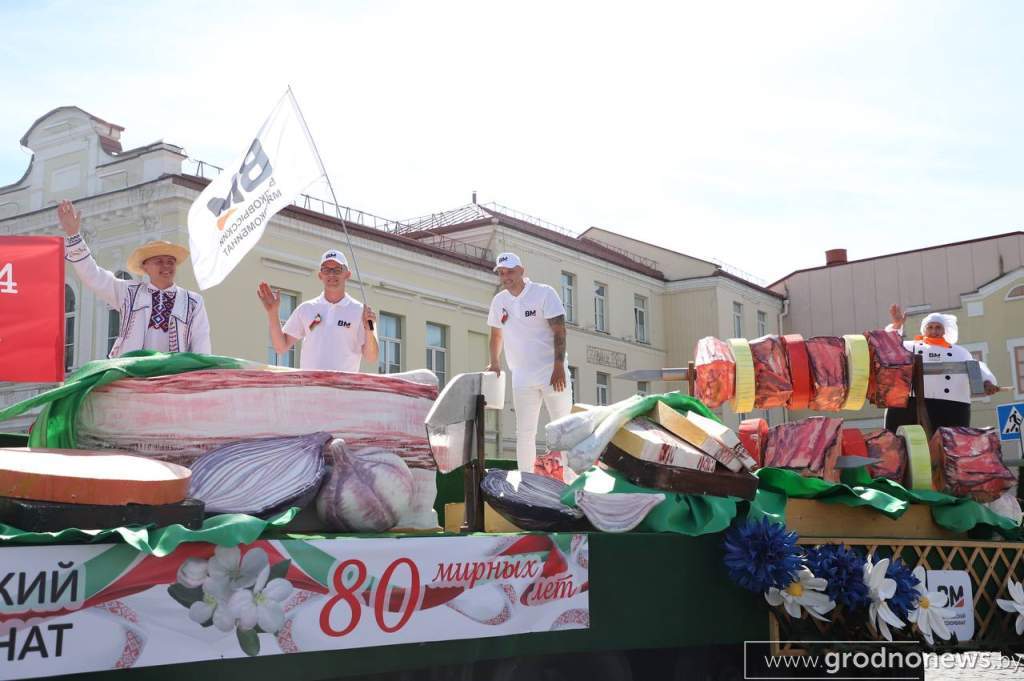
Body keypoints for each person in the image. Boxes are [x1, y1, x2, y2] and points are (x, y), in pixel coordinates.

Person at [57, 199, 211, 357]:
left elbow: (202, 346)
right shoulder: (129, 292)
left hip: (173, 377)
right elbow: (93, 275)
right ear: (145, 267)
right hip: (132, 375)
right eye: (159, 261)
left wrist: (201, 378)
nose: (166, 266)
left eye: (171, 262)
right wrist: (73, 236)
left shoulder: (193, 302)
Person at [486, 252, 571, 472]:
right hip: (522, 376)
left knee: (563, 429)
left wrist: (559, 366)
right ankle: (526, 481)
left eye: (510, 271)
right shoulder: (499, 301)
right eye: (502, 273)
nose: (506, 277)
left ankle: (571, 480)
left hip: (551, 372)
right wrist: (494, 363)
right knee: (524, 432)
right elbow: (496, 335)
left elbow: (560, 330)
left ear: (521, 271)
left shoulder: (543, 293)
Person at [257, 249, 378, 371]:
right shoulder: (306, 309)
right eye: (326, 270)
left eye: (337, 269)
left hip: (344, 389)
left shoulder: (361, 312)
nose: (331, 274)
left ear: (347, 274)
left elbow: (371, 357)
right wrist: (272, 313)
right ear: (320, 275)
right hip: (311, 388)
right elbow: (280, 347)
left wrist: (369, 329)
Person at [884, 304, 999, 430]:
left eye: (938, 327)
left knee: (950, 443)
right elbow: (889, 347)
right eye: (930, 327)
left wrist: (987, 382)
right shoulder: (911, 346)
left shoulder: (959, 352)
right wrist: (897, 325)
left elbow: (976, 366)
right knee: (900, 443)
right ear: (924, 330)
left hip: (952, 406)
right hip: (912, 404)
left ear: (944, 331)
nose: (934, 331)